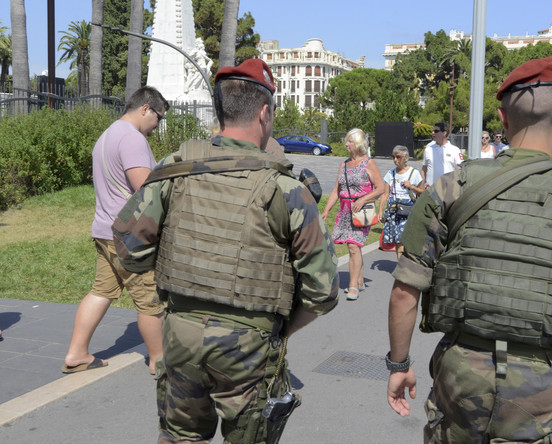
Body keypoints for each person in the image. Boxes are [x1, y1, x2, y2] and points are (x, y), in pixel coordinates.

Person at [385, 57, 552, 443]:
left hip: (459, 380)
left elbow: (405, 290)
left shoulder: (449, 189)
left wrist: (399, 364)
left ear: (502, 117)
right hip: (542, 395)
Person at [111, 58, 339, 443]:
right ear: (265, 113)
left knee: (179, 437)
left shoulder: (174, 170)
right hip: (250, 346)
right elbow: (323, 291)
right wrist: (282, 332)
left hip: (180, 334)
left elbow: (129, 249)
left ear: (219, 110)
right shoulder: (287, 190)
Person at [62, 86, 169, 375]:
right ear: (146, 108)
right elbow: (145, 189)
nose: (157, 126)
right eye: (158, 118)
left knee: (102, 291)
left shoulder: (108, 134)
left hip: (104, 229)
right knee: (150, 299)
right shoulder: (132, 138)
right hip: (130, 236)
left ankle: (76, 353)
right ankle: (159, 361)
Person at [321, 128, 385, 300]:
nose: (346, 144)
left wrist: (363, 199)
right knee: (353, 247)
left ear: (357, 144)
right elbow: (336, 190)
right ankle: (360, 279)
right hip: (344, 209)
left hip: (360, 211)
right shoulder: (343, 164)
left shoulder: (368, 163)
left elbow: (381, 188)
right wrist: (326, 210)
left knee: (353, 246)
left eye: (349, 141)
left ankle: (353, 285)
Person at [378, 145, 424, 258]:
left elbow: (422, 193)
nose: (395, 160)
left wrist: (411, 186)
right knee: (397, 241)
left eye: (398, 157)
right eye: (393, 157)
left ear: (406, 158)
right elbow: (385, 193)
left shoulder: (414, 173)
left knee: (403, 240)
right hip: (393, 210)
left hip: (408, 211)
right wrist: (380, 211)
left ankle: (405, 265)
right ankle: (401, 265)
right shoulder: (390, 174)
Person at [422, 122, 463, 186]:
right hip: (430, 190)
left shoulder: (455, 150)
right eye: (433, 131)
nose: (433, 133)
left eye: (436, 131)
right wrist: (422, 186)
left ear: (444, 133)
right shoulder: (428, 149)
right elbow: (424, 169)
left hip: (448, 190)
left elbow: (460, 169)